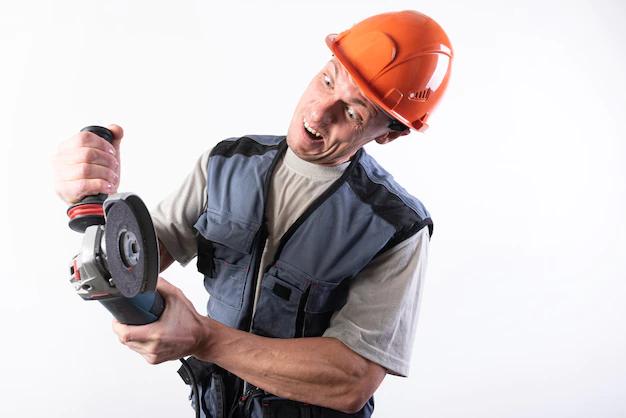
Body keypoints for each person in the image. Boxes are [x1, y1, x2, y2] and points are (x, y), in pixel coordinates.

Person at [53, 10, 453, 418]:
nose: (317, 114)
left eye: (353, 113)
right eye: (327, 81)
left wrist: (204, 339)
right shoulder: (228, 162)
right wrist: (92, 203)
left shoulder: (395, 227)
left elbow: (350, 380)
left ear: (389, 132)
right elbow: (135, 264)